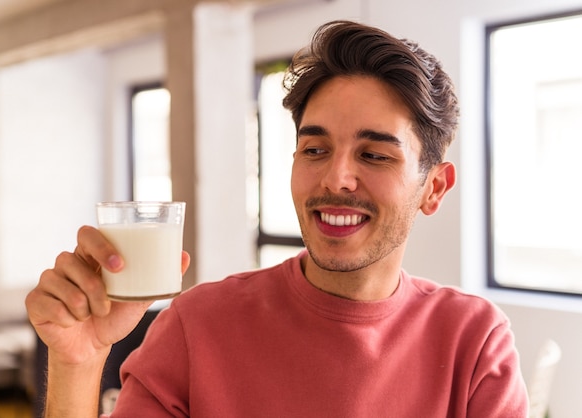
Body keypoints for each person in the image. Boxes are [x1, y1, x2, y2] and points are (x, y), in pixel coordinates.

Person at [26, 20, 528, 417]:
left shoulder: (474, 342)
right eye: (315, 148)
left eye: (374, 155)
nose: (337, 178)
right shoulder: (195, 327)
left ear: (433, 187)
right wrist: (79, 361)